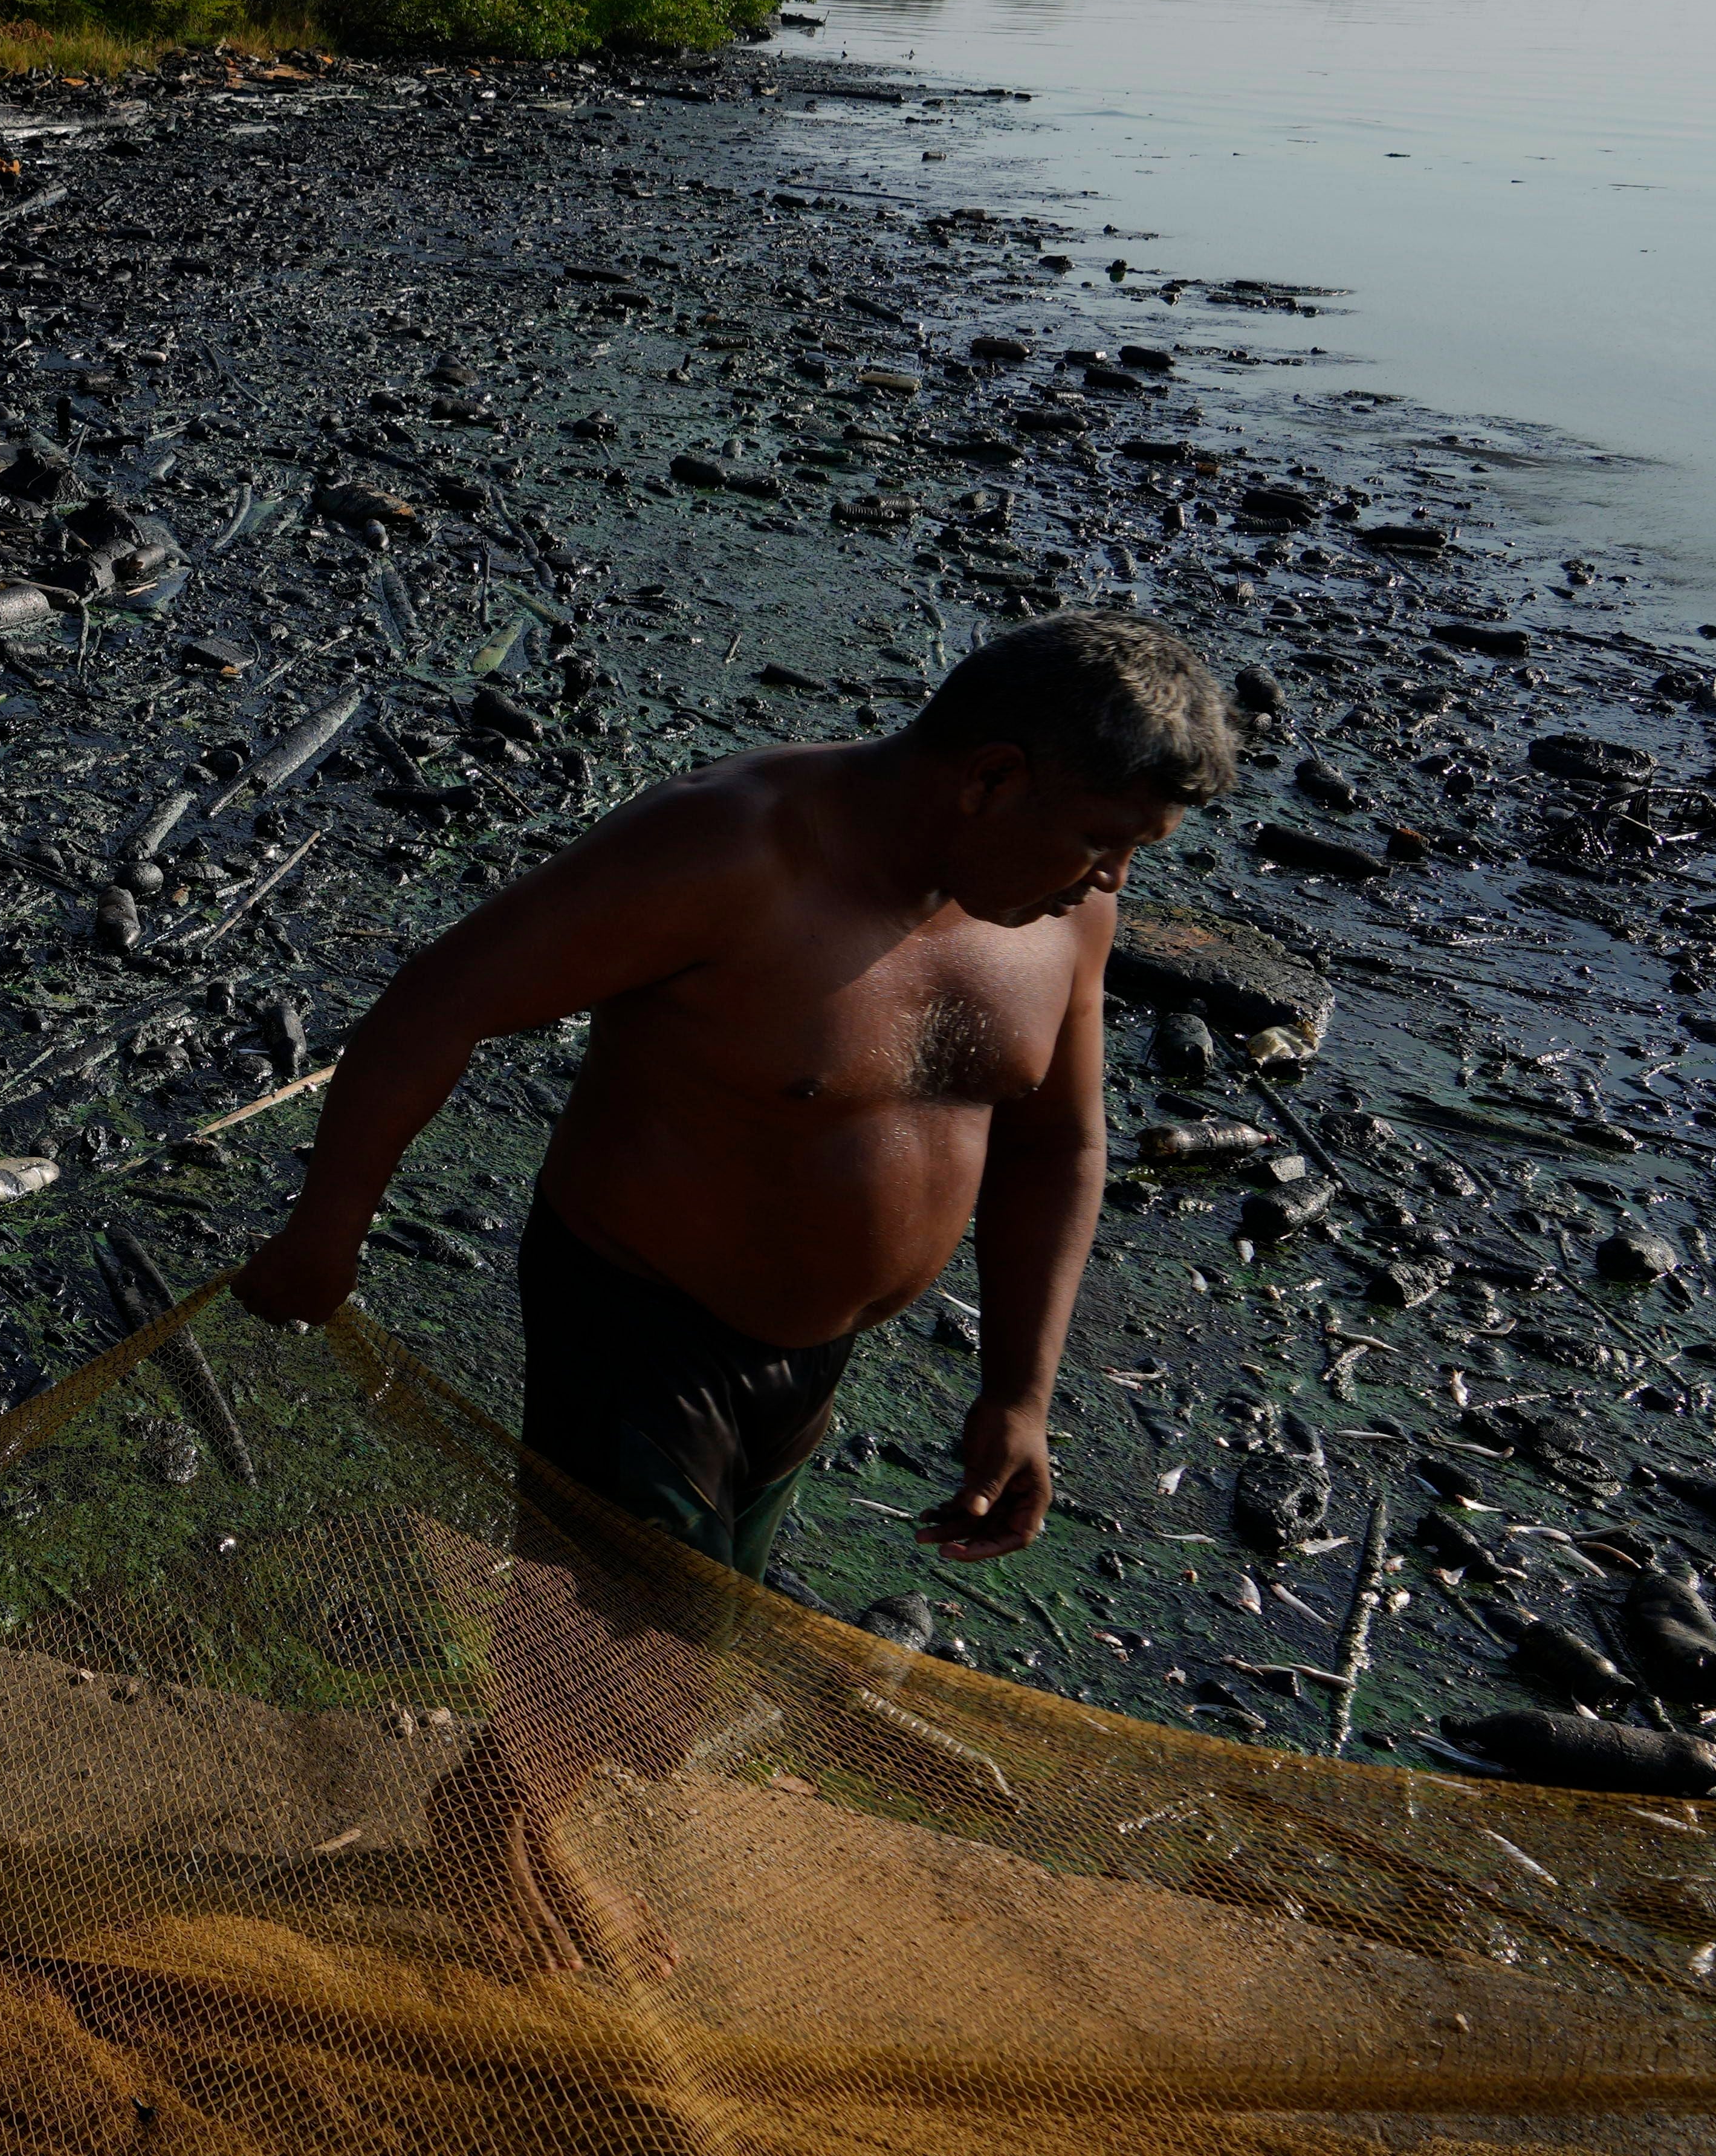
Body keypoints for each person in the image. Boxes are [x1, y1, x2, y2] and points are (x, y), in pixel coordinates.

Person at [232, 609, 1236, 1971]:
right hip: (637, 1317)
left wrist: (1021, 1390)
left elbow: (1061, 1141)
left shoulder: (1070, 910)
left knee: (663, 1648)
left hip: (814, 1357)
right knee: (628, 1651)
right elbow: (442, 999)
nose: (1110, 877)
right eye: (1097, 838)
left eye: (1131, 854)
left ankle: (505, 1813)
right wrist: (326, 1232)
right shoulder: (730, 849)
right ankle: (486, 1826)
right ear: (990, 776)